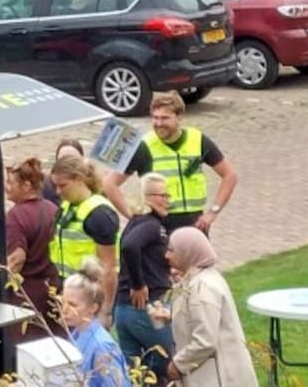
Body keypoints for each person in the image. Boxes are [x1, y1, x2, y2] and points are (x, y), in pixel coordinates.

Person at [104, 92, 240, 234]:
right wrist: (133, 217)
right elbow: (109, 184)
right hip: (160, 227)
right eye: (155, 118)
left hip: (196, 225)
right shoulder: (142, 146)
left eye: (165, 118)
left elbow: (230, 175)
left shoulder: (197, 139)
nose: (159, 124)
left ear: (179, 117)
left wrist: (213, 212)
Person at [161, 227, 258, 387]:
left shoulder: (202, 289)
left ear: (187, 252)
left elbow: (205, 340)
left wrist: (178, 364)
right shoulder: (200, 279)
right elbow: (197, 318)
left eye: (172, 250)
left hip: (217, 378)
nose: (167, 255)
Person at [114, 173, 175, 381]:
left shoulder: (134, 223)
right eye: (162, 195)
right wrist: (138, 284)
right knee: (168, 366)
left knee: (135, 375)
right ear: (146, 197)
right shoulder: (151, 226)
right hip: (147, 310)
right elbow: (130, 247)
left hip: (122, 312)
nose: (167, 200)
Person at [48, 156, 119, 325]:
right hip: (70, 293)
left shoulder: (99, 213)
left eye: (62, 185)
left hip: (90, 296)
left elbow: (109, 267)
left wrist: (105, 310)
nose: (58, 192)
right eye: (55, 186)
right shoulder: (66, 208)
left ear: (79, 180)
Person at [3, 157, 63, 341]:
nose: (6, 186)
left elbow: (17, 259)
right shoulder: (53, 209)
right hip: (54, 292)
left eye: (10, 182)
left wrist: (4, 284)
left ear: (26, 185)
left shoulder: (16, 216)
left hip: (27, 298)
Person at [60, 257, 130, 387]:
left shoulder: (102, 347)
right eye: (62, 302)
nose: (64, 310)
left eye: (73, 305)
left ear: (93, 307)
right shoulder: (75, 334)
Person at [42, 138, 84, 207]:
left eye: (72, 160)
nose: (67, 165)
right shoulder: (45, 187)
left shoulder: (92, 188)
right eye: (63, 159)